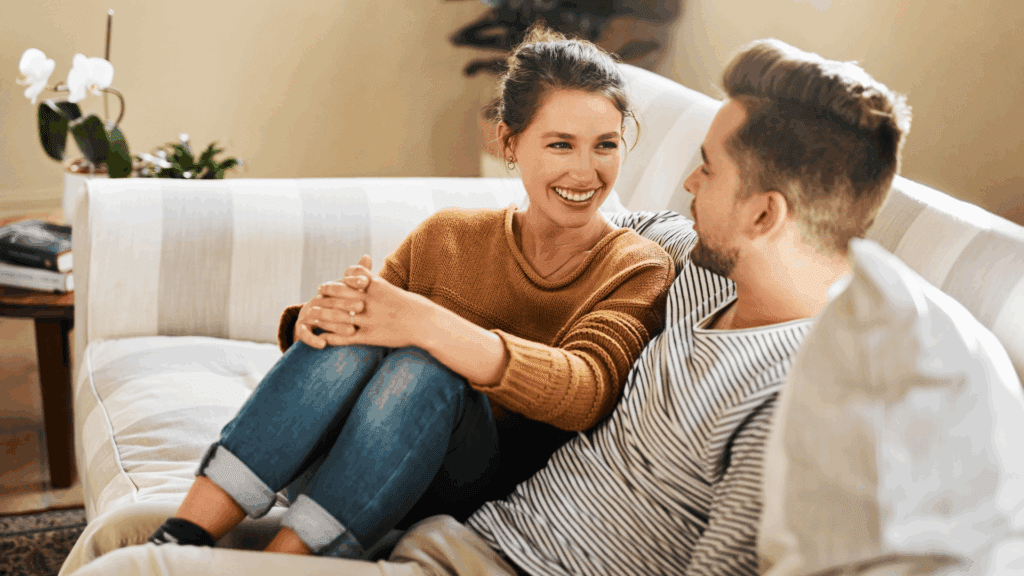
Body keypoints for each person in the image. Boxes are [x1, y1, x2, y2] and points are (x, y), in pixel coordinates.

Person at [75, 37, 911, 576]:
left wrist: (424, 326)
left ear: (765, 216)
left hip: (490, 560)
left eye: (708, 171)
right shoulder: (692, 261)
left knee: (135, 572)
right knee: (126, 533)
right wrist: (330, 316)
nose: (686, 183)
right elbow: (581, 223)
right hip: (455, 533)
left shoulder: (793, 396)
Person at [142, 26, 674, 560]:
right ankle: (182, 535)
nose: (586, 171)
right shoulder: (448, 235)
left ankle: (282, 566)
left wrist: (426, 325)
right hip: (336, 469)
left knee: (428, 366)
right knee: (370, 318)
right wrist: (317, 319)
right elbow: (363, 336)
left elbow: (585, 390)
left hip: (459, 488)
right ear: (509, 142)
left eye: (605, 145)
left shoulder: (636, 266)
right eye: (561, 144)